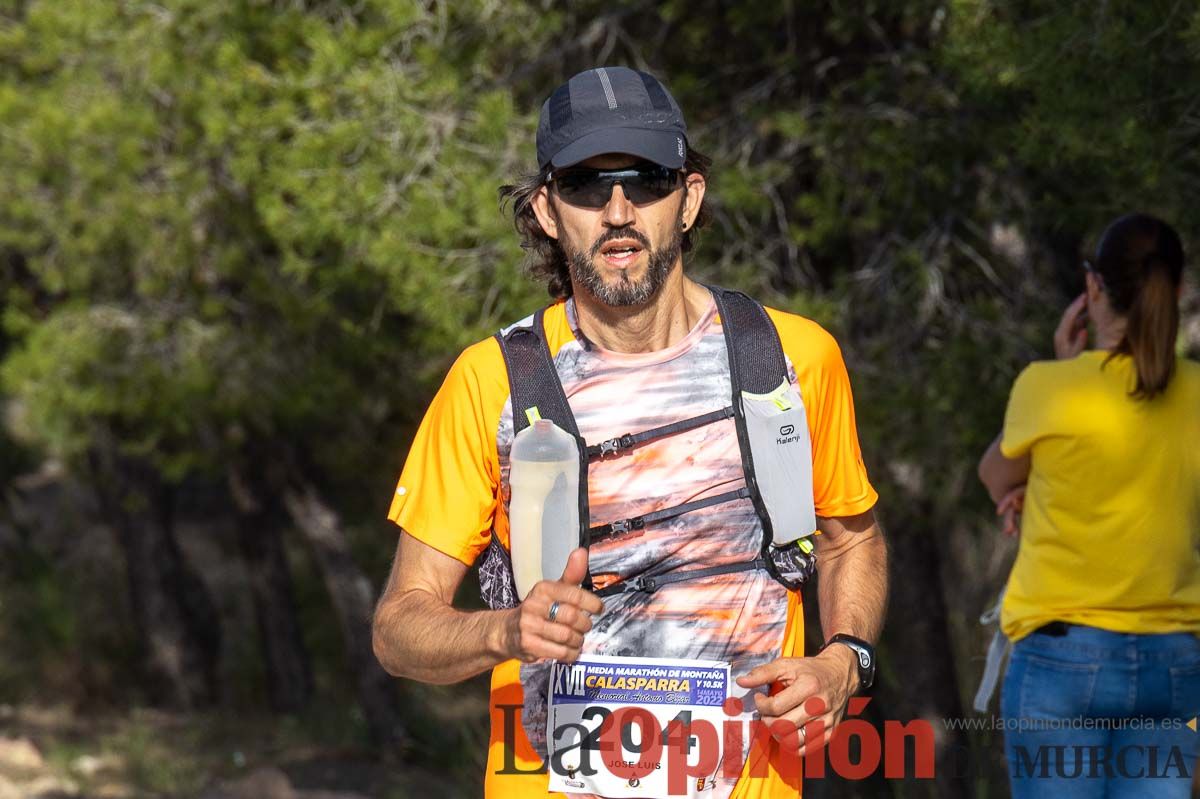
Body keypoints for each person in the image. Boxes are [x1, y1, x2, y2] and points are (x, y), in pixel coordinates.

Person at [372, 66, 888, 798]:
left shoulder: (791, 360)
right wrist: (507, 631)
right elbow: (397, 628)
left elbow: (851, 539)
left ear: (689, 198)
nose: (619, 210)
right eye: (586, 183)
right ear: (548, 210)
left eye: (646, 178)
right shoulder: (493, 382)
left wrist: (845, 661)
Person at [978, 213, 1200, 798]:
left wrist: (1061, 367)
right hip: (1173, 660)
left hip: (1060, 661)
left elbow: (995, 475)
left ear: (1093, 288)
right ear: (1177, 290)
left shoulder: (1048, 386)